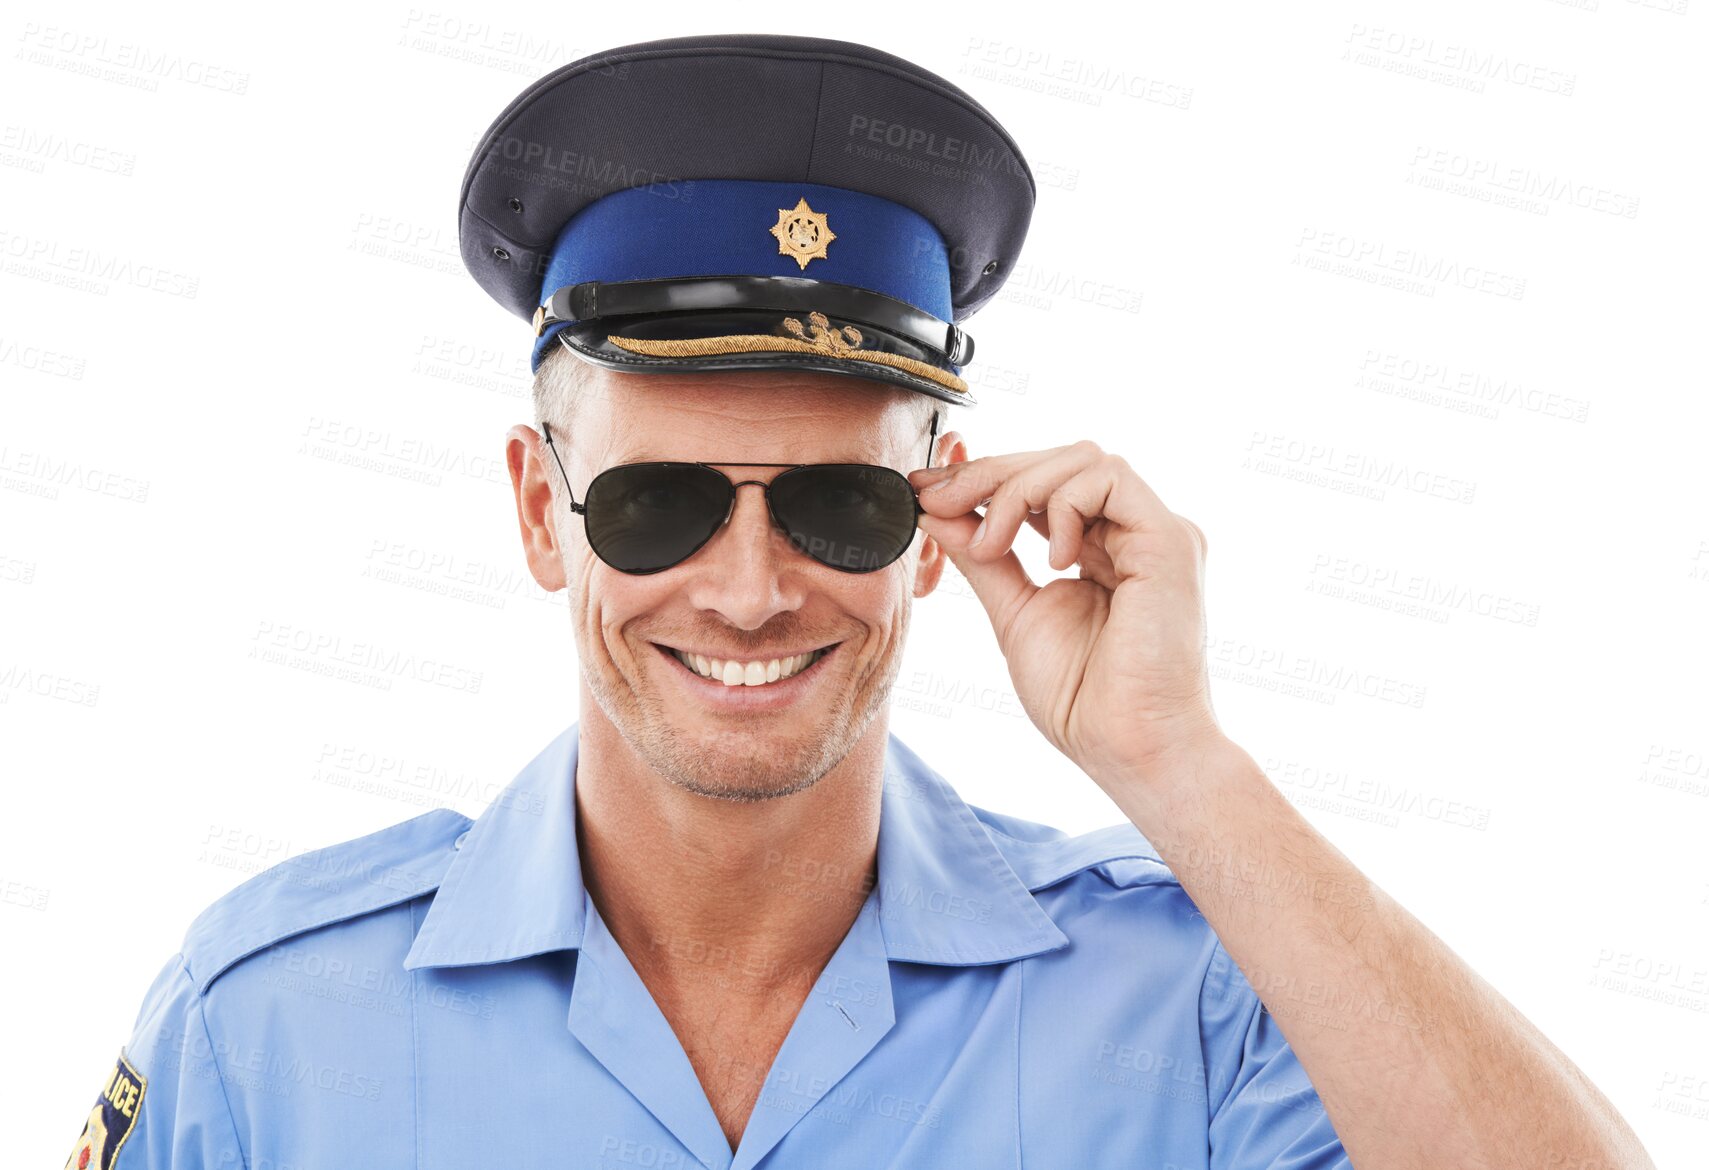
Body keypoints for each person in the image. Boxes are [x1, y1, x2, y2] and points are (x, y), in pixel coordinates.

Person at [65, 33, 1653, 1170]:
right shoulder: (269, 1022)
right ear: (545, 510)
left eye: (837, 502)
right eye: (658, 498)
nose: (749, 589)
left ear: (933, 518)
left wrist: (1182, 766)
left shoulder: (1191, 997)